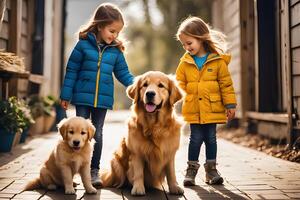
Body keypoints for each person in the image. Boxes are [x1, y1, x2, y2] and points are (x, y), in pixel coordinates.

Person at [60, 3, 134, 187]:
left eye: (117, 32)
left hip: (102, 100)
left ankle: (93, 171)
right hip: (82, 98)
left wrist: (138, 86)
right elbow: (71, 70)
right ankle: (73, 171)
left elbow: (124, 73)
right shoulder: (83, 45)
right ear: (100, 26)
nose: (114, 35)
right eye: (111, 30)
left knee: (97, 134)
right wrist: (66, 94)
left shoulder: (116, 51)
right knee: (78, 135)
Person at [175, 16, 237, 186]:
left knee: (211, 138)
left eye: (189, 43)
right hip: (194, 109)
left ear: (201, 38)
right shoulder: (184, 63)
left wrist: (230, 104)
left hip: (212, 108)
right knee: (195, 138)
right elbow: (177, 86)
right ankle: (191, 170)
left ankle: (211, 170)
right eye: (184, 45)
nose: (187, 48)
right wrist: (170, 101)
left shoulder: (218, 62)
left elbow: (226, 84)